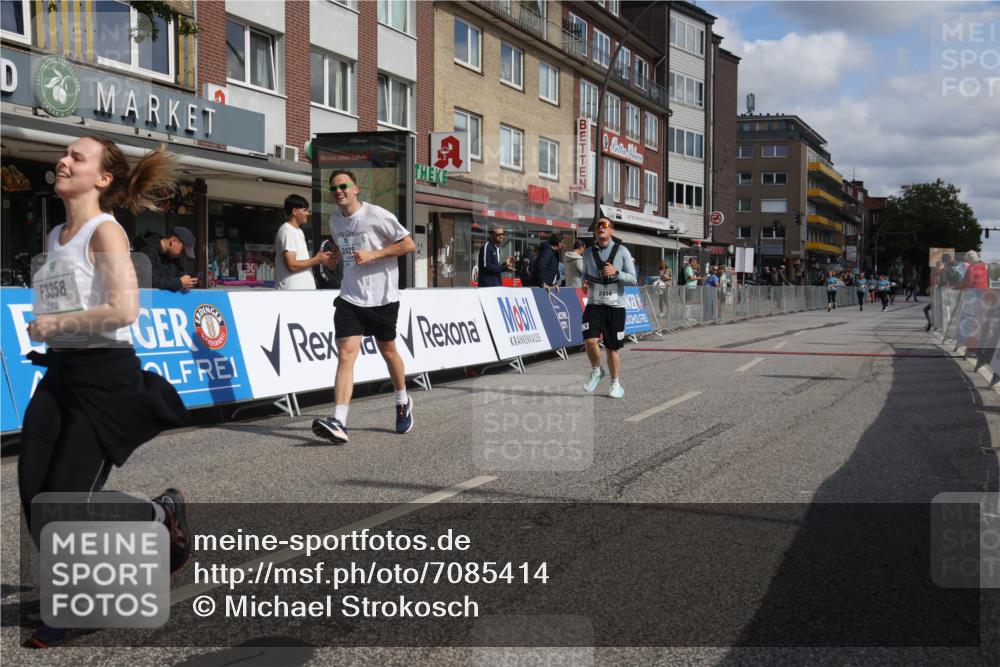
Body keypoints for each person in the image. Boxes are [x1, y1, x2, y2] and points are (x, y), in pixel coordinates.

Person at [21, 136, 191, 647]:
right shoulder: (55, 235)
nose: (64, 160)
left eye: (78, 156)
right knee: (35, 494)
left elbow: (124, 310)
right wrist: (53, 327)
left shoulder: (106, 231)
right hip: (62, 374)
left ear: (103, 178)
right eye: (65, 153)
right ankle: (158, 514)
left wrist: (56, 323)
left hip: (106, 379)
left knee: (68, 499)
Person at [311, 170, 417, 444]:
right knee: (346, 355)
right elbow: (338, 244)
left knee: (389, 352)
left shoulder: (376, 215)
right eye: (334, 188)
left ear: (355, 188)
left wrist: (375, 254)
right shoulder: (334, 219)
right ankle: (339, 421)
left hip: (383, 298)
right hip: (351, 297)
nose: (338, 191)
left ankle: (402, 400)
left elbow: (408, 244)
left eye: (343, 186)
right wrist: (333, 258)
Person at [581, 218, 636, 399]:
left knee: (612, 348)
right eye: (598, 226)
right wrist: (584, 283)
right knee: (590, 341)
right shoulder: (588, 252)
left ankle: (615, 384)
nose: (601, 228)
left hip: (615, 305)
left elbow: (633, 279)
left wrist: (617, 273)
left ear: (612, 230)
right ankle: (597, 371)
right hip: (594, 303)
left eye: (605, 225)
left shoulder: (622, 251)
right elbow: (584, 274)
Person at [274, 194, 330, 290]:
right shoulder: (287, 231)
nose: (308, 213)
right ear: (295, 211)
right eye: (305, 210)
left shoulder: (298, 231)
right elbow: (292, 265)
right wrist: (316, 260)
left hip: (302, 293)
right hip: (292, 294)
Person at [136, 225, 198, 292]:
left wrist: (186, 281)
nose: (182, 254)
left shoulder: (173, 255)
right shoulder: (147, 251)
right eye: (183, 250)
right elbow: (151, 281)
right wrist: (179, 283)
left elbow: (179, 272)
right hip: (148, 300)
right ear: (173, 241)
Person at [924, 259, 946, 330]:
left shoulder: (941, 275)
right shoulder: (937, 275)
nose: (936, 268)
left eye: (937, 267)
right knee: (927, 310)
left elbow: (939, 286)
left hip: (939, 298)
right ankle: (931, 323)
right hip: (936, 298)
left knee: (934, 311)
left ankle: (935, 325)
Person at [683, 256, 699, 321]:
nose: (695, 264)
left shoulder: (690, 268)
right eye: (695, 262)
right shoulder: (688, 268)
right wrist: (699, 278)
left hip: (691, 287)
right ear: (691, 262)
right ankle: (687, 316)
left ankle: (688, 316)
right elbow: (691, 278)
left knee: (689, 302)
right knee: (688, 302)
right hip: (689, 287)